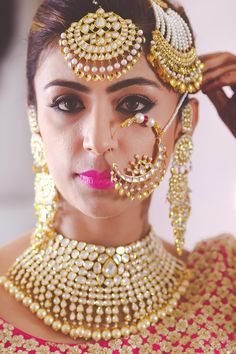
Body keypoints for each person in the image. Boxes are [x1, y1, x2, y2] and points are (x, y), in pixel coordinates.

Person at [0, 0, 235, 353]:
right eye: (67, 103)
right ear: (34, 117)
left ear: (186, 122)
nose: (98, 142)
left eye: (133, 104)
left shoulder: (225, 282)